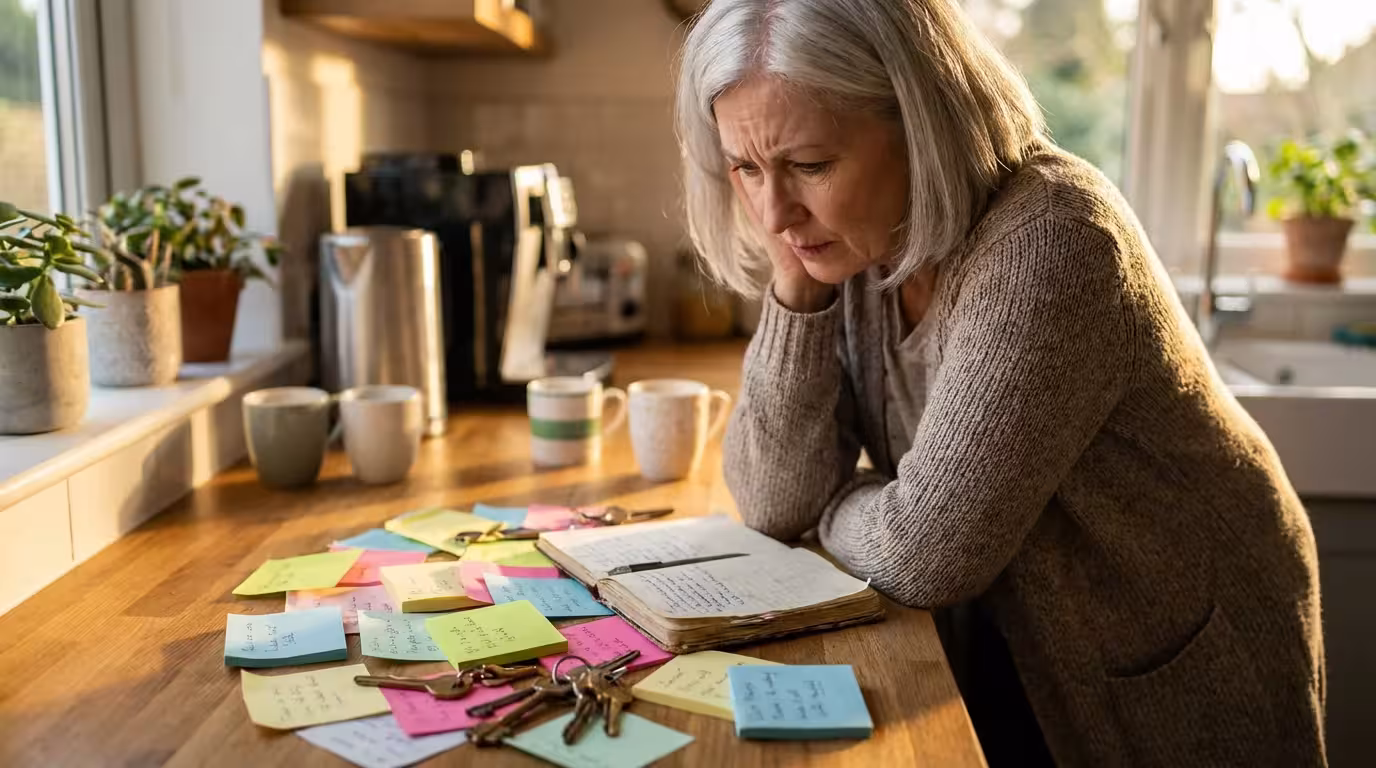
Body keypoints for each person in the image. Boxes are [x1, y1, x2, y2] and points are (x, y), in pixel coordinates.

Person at [674, 1, 1326, 765]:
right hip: (1016, 639)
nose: (774, 210)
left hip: (1176, 646)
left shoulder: (1051, 239)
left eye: (810, 166)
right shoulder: (848, 245)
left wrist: (837, 504)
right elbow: (774, 501)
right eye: (746, 169)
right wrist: (796, 283)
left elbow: (924, 553)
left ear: (921, 122)